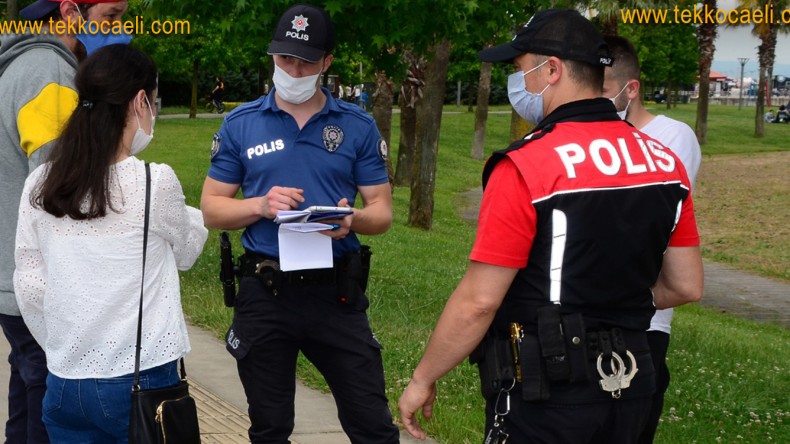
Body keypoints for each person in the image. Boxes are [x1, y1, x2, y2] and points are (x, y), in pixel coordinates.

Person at [398, 9, 703, 443]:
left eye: (522, 69)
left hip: (549, 389)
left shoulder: (525, 164)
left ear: (552, 70)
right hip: (633, 382)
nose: (519, 82)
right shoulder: (664, 163)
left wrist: (422, 378)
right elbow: (687, 284)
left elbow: (479, 302)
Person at [200, 4, 398, 443]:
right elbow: (213, 208)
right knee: (270, 427)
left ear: (326, 63)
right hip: (267, 291)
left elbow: (382, 212)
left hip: (336, 294)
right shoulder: (241, 124)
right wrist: (260, 206)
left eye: (305, 60)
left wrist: (354, 219)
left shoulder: (356, 126)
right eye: (284, 58)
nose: (292, 69)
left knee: (373, 424)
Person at [13, 44, 207, 442]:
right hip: (142, 380)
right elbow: (188, 251)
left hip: (65, 380)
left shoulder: (41, 183)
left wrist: (60, 348)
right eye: (153, 102)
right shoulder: (155, 182)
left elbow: (29, 284)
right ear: (140, 102)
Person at [0, 1, 129, 442]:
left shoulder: (18, 63)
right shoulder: (48, 71)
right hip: (41, 281)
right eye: (112, 16)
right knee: (47, 409)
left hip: (15, 276)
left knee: (27, 391)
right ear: (72, 12)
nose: (119, 28)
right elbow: (61, 186)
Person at [602, 35, 701, 444]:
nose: (596, 99)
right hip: (588, 316)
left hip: (646, 319)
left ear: (631, 88)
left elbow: (647, 225)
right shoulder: (597, 137)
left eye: (604, 91)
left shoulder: (673, 138)